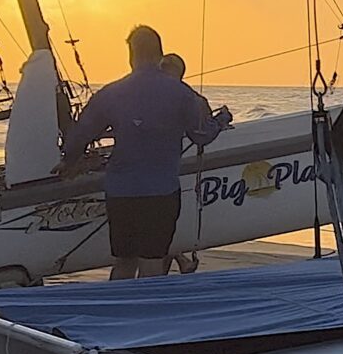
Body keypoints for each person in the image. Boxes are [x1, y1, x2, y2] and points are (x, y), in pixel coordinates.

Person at [59, 25, 233, 279]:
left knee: (123, 262)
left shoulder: (111, 93)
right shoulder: (182, 94)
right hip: (160, 191)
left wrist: (69, 161)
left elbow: (82, 133)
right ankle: (144, 313)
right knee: (152, 261)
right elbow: (201, 136)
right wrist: (221, 121)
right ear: (160, 55)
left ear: (131, 55)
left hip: (121, 191)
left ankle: (117, 313)